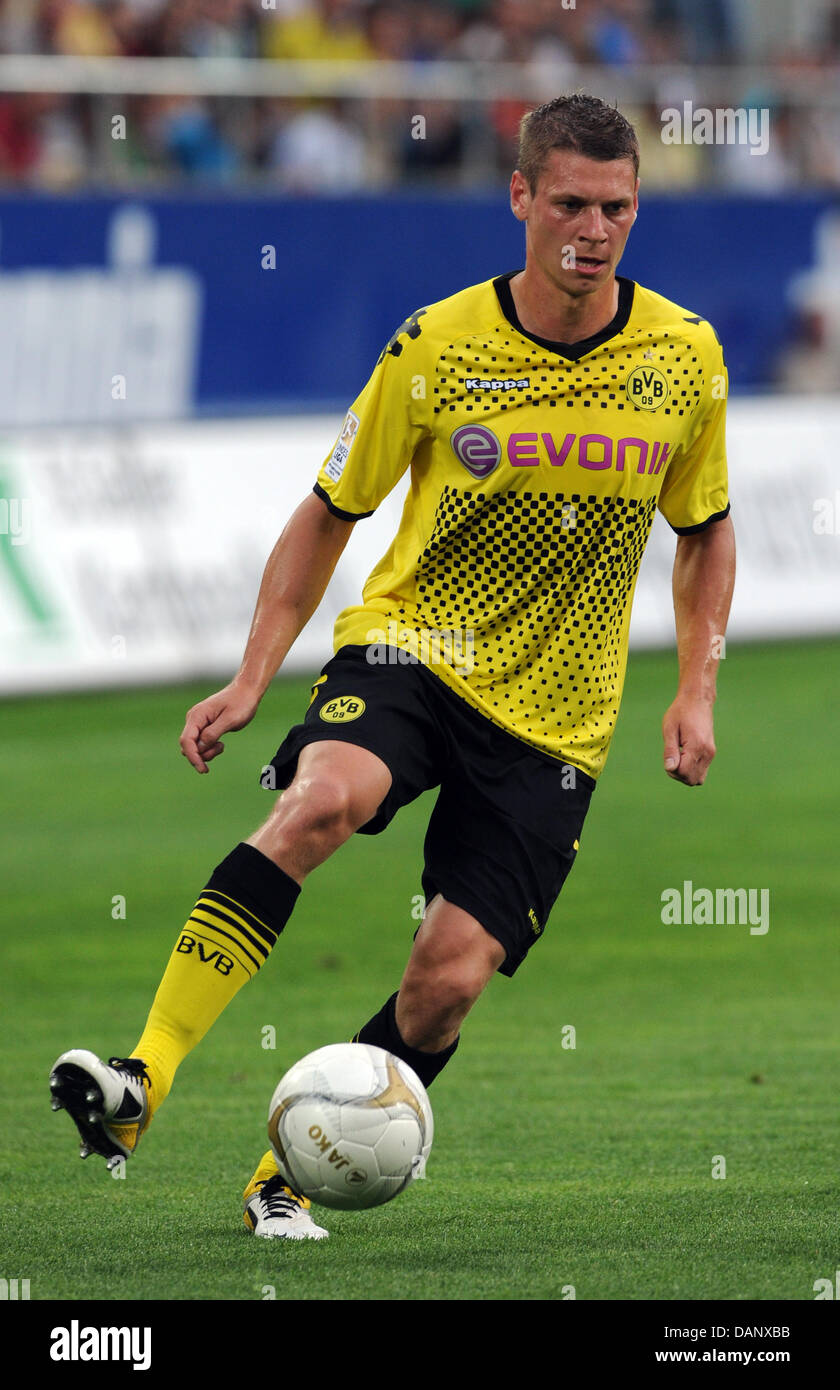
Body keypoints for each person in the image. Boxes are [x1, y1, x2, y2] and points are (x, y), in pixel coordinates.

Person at [50, 94, 735, 1241]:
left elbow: (707, 531)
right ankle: (142, 1082)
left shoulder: (685, 355)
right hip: (414, 649)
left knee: (450, 976)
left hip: (558, 718)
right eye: (569, 202)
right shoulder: (437, 343)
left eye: (617, 207)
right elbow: (328, 511)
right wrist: (253, 672)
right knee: (322, 796)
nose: (594, 228)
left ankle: (291, 1164)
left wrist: (699, 685)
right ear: (519, 196)